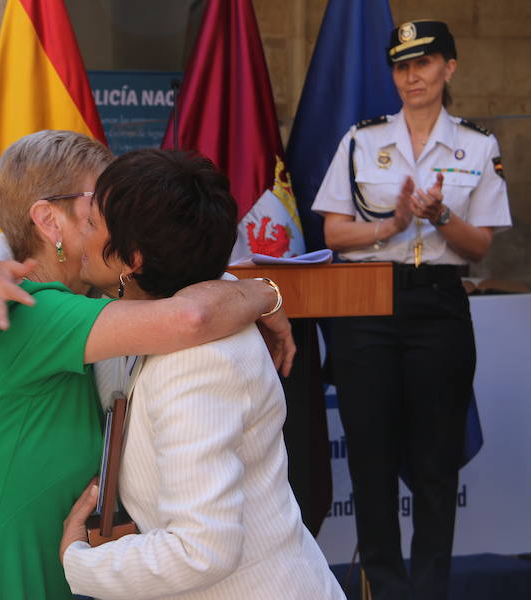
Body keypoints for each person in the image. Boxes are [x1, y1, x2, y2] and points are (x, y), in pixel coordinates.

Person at [0, 131, 290, 600]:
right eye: (98, 207)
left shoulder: (87, 301)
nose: (118, 220)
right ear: (50, 220)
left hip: (33, 571)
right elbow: (192, 315)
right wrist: (264, 292)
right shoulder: (32, 314)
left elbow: (167, 266)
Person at [57, 149, 344, 599]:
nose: (79, 231)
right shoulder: (188, 301)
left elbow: (201, 549)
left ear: (131, 259)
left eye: (92, 223)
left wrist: (80, 562)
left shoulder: (197, 364)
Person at [311, 21, 511, 600]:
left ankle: (428, 591)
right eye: (401, 66)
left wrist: (443, 217)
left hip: (439, 302)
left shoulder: (477, 145)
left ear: (450, 67)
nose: (412, 76)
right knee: (370, 459)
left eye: (424, 63)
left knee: (434, 463)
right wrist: (393, 226)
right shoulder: (361, 139)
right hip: (367, 300)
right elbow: (332, 232)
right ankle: (388, 590)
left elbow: (480, 248)